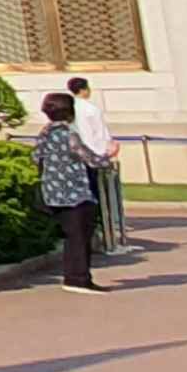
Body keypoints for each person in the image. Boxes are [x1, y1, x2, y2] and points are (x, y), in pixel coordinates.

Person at [36, 90, 116, 292]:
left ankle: (74, 276)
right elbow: (91, 159)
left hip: (52, 191)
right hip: (75, 193)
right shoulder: (69, 136)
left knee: (71, 236)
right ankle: (78, 278)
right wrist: (109, 154)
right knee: (80, 236)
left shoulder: (45, 134)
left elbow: (35, 156)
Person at [68, 76, 125, 253]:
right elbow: (100, 134)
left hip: (78, 156)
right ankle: (104, 234)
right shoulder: (91, 109)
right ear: (84, 89)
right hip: (95, 156)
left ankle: (95, 233)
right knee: (99, 195)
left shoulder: (70, 109)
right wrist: (107, 149)